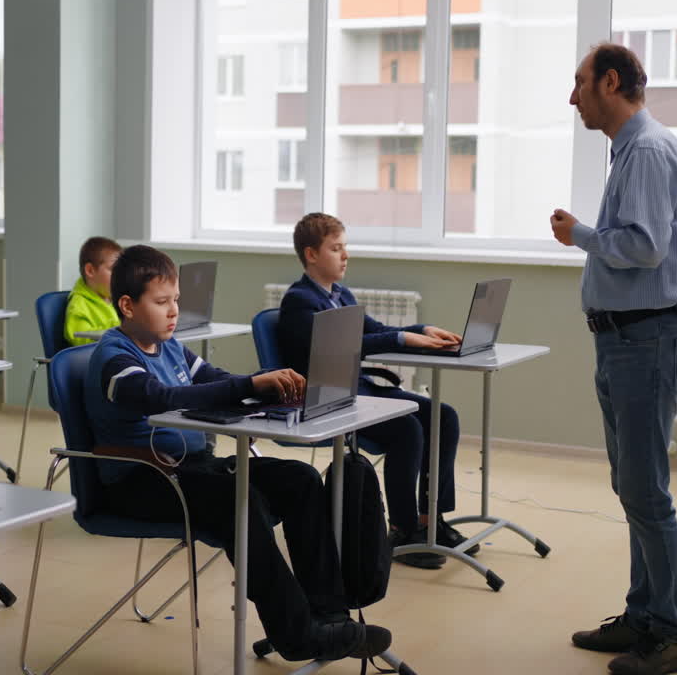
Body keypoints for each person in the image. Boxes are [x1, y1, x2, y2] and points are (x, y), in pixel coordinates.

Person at [85, 245, 392, 662]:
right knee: (240, 502)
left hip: (192, 468)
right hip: (140, 480)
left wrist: (264, 383)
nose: (174, 310)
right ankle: (297, 633)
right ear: (127, 305)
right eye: (161, 302)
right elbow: (162, 397)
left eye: (175, 300)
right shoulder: (114, 357)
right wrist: (251, 386)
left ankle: (329, 615)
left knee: (299, 480)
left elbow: (214, 380)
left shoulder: (171, 347)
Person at [553, 42, 677, 675]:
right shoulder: (633, 149)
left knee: (647, 491)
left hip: (645, 339)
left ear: (610, 82)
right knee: (634, 486)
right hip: (626, 339)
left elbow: (644, 247)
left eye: (580, 83)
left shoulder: (644, 150)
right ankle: (644, 615)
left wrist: (579, 235)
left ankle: (670, 633)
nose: (573, 96)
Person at [278, 213, 465, 570]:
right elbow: (342, 344)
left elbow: (375, 330)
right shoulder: (299, 301)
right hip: (324, 400)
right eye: (336, 249)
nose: (345, 255)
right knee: (406, 428)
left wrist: (422, 329)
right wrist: (402, 338)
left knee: (443, 416)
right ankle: (403, 528)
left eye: (345, 247)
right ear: (311, 254)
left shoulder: (341, 294)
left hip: (355, 390)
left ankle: (431, 521)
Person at [63, 236, 122, 347]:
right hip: (94, 361)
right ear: (90, 270)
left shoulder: (114, 299)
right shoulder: (78, 305)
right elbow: (79, 339)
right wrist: (123, 325)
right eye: (113, 269)